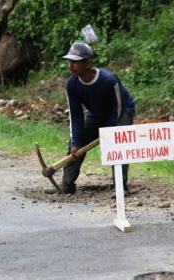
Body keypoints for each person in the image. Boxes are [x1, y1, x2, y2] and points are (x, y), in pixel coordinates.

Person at [48, 41, 135, 194]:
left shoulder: (109, 80)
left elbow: (119, 107)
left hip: (122, 111)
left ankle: (120, 188)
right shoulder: (72, 85)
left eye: (75, 62)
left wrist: (110, 132)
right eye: (69, 61)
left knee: (116, 143)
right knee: (77, 143)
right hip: (96, 113)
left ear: (88, 63)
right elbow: (76, 116)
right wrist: (76, 142)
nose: (71, 66)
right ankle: (67, 185)